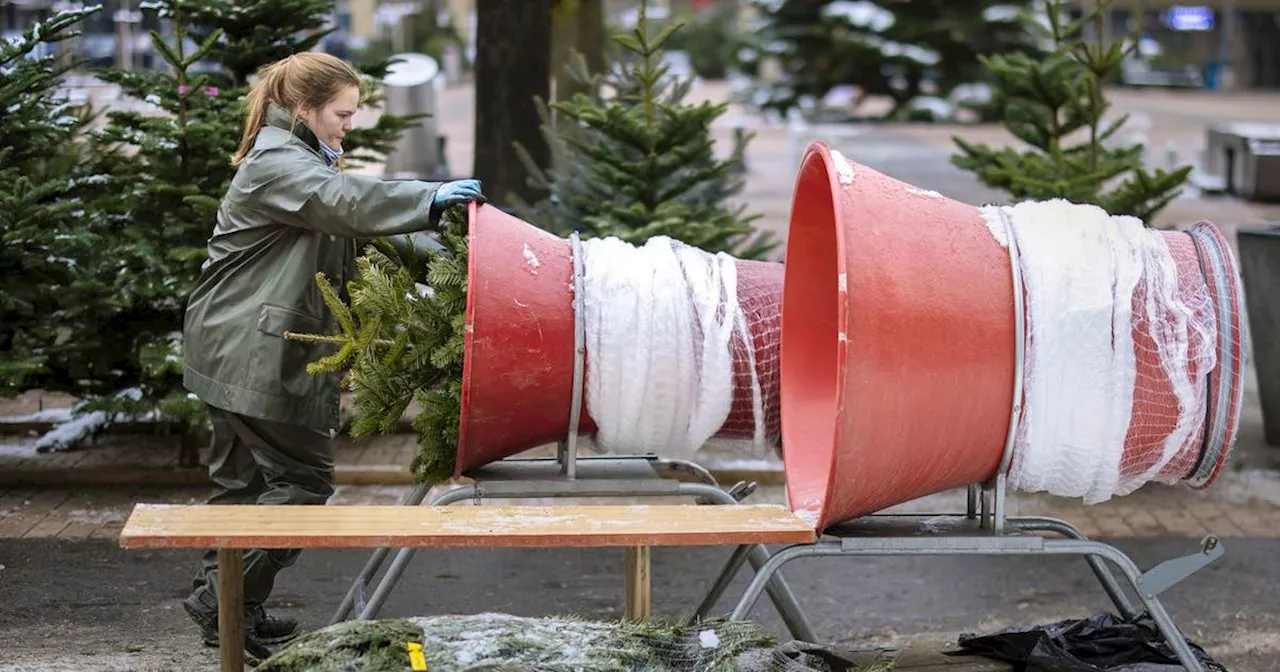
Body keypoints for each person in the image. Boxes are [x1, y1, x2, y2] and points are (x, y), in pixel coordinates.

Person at [179, 51, 484, 648]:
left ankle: (232, 606)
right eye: (342, 114)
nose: (349, 125)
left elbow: (354, 242)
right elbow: (345, 206)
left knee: (241, 489)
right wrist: (430, 196)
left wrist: (448, 262)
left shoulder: (303, 159)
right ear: (304, 108)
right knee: (303, 484)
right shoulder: (279, 163)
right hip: (250, 347)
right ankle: (220, 601)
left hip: (230, 341)